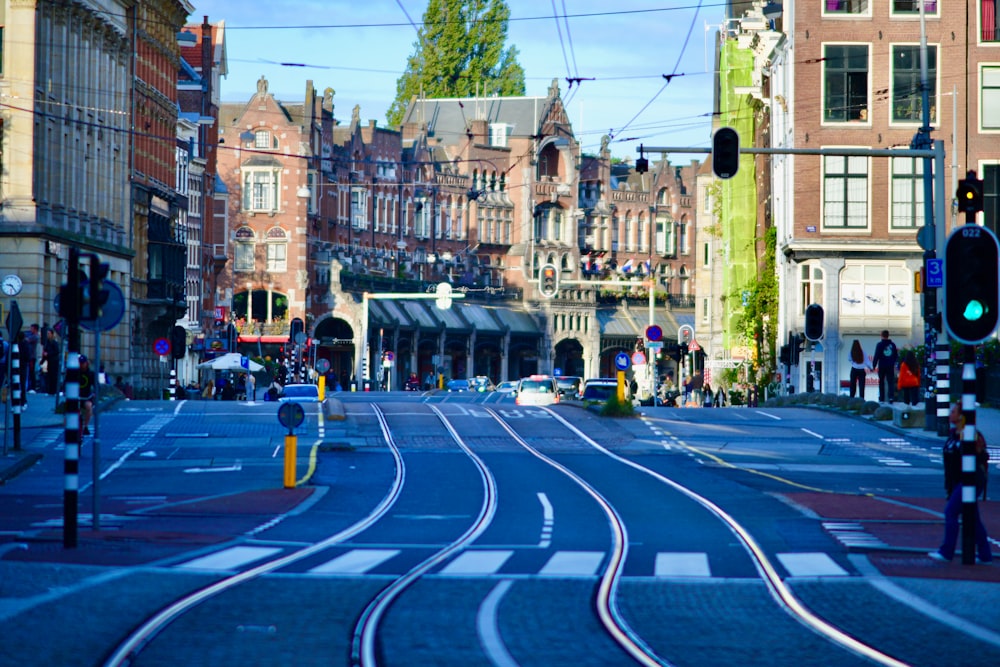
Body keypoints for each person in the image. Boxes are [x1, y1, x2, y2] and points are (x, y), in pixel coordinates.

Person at [929, 403, 992, 564]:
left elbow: (979, 456)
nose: (950, 414)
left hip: (970, 480)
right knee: (972, 516)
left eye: (953, 412)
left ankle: (947, 551)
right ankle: (985, 554)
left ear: (961, 417)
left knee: (951, 512)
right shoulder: (953, 434)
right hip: (958, 481)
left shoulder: (970, 435)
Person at [872, 330, 898, 403]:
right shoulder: (892, 345)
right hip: (890, 365)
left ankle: (882, 398)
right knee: (890, 382)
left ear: (881, 335)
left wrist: (873, 366)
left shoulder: (879, 345)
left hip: (882, 365)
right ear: (888, 335)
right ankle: (891, 397)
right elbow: (896, 356)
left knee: (881, 382)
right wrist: (893, 363)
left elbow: (876, 355)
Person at [78, 355, 97, 436]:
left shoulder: (90, 374)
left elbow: (96, 385)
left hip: (86, 396)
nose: (81, 365)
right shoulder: (74, 372)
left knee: (88, 407)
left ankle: (86, 426)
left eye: (83, 363)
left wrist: (95, 393)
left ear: (86, 363)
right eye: (80, 363)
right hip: (76, 396)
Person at [42, 328, 60, 395]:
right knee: (49, 376)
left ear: (52, 334)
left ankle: (53, 390)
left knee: (53, 376)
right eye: (47, 334)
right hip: (49, 361)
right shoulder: (47, 342)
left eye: (49, 333)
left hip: (54, 361)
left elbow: (56, 351)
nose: (48, 335)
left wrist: (48, 353)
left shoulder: (54, 342)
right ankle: (49, 390)